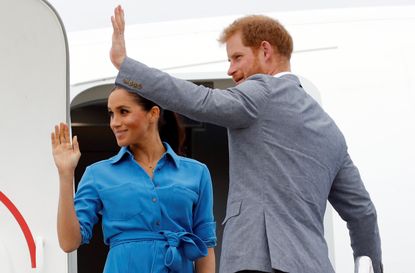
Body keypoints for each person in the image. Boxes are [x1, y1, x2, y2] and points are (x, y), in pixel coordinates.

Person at [110, 6, 383, 273]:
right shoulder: (330, 131)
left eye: (237, 57)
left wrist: (126, 66)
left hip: (258, 259)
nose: (230, 69)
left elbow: (200, 100)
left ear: (265, 51)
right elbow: (363, 213)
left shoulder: (262, 91)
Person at [51, 87, 216, 273]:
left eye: (123, 112)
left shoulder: (197, 172)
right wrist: (65, 174)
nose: (114, 122)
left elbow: (205, 245)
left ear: (153, 114)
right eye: (111, 114)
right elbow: (68, 242)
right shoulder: (97, 174)